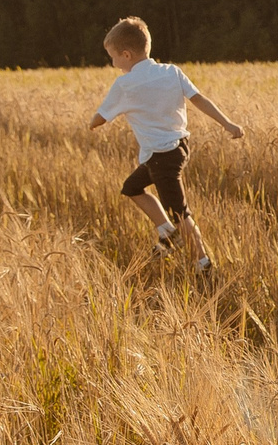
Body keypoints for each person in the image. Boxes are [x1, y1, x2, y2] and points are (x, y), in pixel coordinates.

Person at [89, 16, 244, 275]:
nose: (113, 63)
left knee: (180, 212)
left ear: (126, 55)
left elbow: (100, 118)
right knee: (132, 187)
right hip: (177, 148)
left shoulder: (125, 84)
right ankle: (168, 234)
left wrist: (92, 123)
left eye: (112, 57)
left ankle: (203, 264)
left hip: (161, 157)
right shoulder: (171, 71)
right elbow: (199, 99)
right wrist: (227, 124)